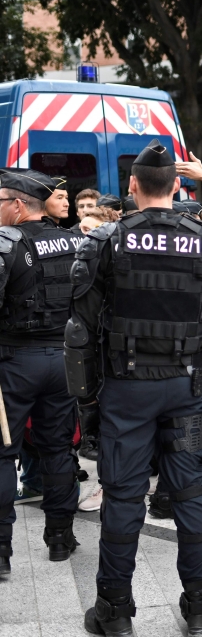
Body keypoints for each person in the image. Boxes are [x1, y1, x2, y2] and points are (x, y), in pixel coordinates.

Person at [66, 139, 202, 636]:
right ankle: (201, 608)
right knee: (191, 496)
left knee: (122, 498)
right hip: (186, 392)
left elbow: (79, 333)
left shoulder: (105, 240)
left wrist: (86, 402)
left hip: (126, 392)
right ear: (179, 186)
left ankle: (115, 612)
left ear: (132, 187)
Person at [0, 169, 83, 576]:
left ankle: (1, 551)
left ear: (18, 205)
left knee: (3, 452)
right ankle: (61, 538)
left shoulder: (7, 242)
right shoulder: (76, 240)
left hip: (16, 361)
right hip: (64, 362)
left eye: (0, 201)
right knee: (57, 449)